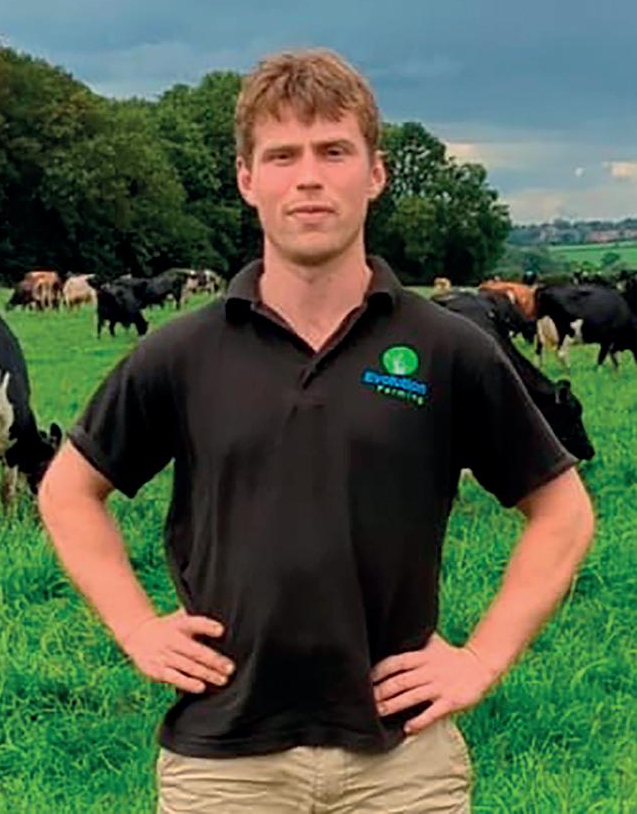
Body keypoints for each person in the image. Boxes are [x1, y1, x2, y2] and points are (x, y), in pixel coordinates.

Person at [38, 49, 595, 813]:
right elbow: (68, 490)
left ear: (374, 172)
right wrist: (137, 627)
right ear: (247, 178)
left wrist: (478, 659)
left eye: (333, 151)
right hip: (222, 765)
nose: (308, 177)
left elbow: (562, 510)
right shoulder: (183, 352)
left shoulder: (446, 348)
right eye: (282, 155)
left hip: (403, 762)